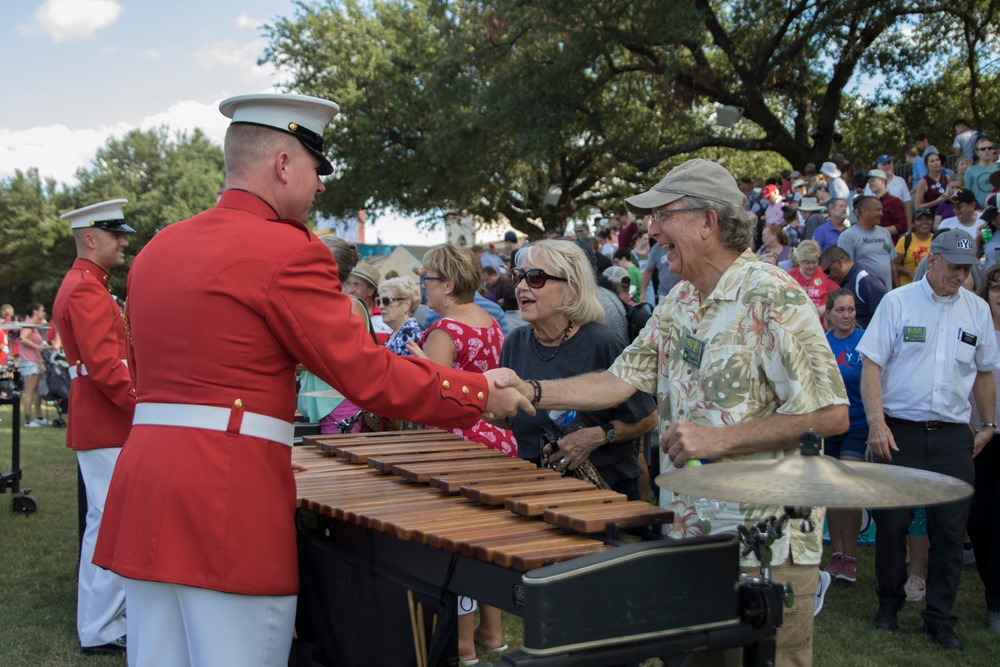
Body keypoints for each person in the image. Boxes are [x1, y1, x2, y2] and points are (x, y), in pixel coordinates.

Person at [92, 93, 530, 667]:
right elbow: (366, 373)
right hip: (227, 497)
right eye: (316, 169)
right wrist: (476, 392)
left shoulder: (158, 249)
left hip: (146, 484)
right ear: (282, 165)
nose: (321, 185)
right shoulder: (286, 250)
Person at [499, 158, 850, 667]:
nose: (653, 229)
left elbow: (831, 413)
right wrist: (529, 390)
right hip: (691, 535)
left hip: (764, 545)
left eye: (664, 215)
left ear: (709, 222)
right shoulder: (679, 300)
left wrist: (720, 439)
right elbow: (617, 381)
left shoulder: (772, 294)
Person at [858, 229, 1000, 650]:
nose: (960, 275)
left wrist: (988, 424)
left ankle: (940, 617)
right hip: (898, 431)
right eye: (954, 266)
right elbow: (871, 366)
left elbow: (985, 372)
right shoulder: (898, 302)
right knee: (892, 524)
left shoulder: (975, 311)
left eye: (966, 268)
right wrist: (877, 424)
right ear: (932, 260)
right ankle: (888, 603)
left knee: (950, 532)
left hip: (953, 435)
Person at [408, 244, 515, 663]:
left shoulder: (444, 329)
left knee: (457, 547)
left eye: (427, 280)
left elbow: (437, 398)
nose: (424, 287)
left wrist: (420, 368)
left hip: (457, 443)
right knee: (484, 543)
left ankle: (464, 645)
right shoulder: (490, 321)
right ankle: (493, 634)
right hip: (495, 441)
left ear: (448, 284)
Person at [500, 240, 656, 497]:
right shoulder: (515, 343)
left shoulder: (602, 343)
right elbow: (511, 420)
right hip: (537, 489)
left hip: (604, 494)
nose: (521, 286)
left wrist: (596, 436)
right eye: (518, 276)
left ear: (571, 290)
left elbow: (648, 418)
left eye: (536, 277)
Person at [49, 200, 136, 655]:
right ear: (90, 238)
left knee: (105, 521)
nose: (124, 242)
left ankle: (104, 620)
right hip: (108, 417)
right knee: (109, 524)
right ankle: (101, 627)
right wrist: (142, 408)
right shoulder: (86, 290)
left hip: (103, 415)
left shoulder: (88, 286)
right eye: (116, 234)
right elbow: (107, 368)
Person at [295, 236, 372, 434]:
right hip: (314, 400)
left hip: (340, 401)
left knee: (340, 462)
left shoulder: (351, 305)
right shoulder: (314, 303)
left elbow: (351, 360)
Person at [821, 289, 866, 584]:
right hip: (827, 427)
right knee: (831, 494)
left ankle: (850, 556)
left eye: (851, 310)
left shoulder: (865, 341)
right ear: (829, 313)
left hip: (858, 425)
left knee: (847, 492)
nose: (847, 316)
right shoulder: (821, 343)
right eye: (841, 310)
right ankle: (837, 554)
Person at [970, 264, 1000, 635]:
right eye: (995, 288)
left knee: (998, 523)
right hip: (975, 435)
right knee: (976, 521)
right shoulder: (975, 327)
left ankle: (996, 604)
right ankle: (989, 584)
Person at [837, 196, 896, 291]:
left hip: (887, 295)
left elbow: (892, 264)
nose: (881, 213)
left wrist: (896, 289)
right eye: (878, 210)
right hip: (864, 296)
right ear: (864, 211)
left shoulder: (885, 233)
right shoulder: (848, 236)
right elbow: (844, 270)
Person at [820, 247, 887, 329]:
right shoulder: (848, 279)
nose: (827, 277)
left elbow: (886, 316)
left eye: (827, 271)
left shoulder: (866, 280)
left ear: (839, 263)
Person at [787, 241, 839, 327]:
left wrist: (825, 307)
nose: (811, 266)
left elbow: (839, 296)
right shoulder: (789, 276)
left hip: (822, 325)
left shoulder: (825, 274)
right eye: (807, 263)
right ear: (799, 261)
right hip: (798, 325)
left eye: (814, 262)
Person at [17, 302, 51, 428]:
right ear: (35, 311)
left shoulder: (35, 326)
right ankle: (27, 420)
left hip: (35, 362)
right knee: (30, 391)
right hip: (28, 362)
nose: (43, 313)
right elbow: (23, 338)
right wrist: (38, 347)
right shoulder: (29, 324)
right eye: (42, 310)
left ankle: (39, 417)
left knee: (37, 391)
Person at [345, 260, 392, 343]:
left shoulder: (386, 315)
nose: (350, 290)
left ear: (371, 290)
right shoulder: (343, 312)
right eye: (349, 284)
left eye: (356, 285)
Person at [378, 276, 423, 357]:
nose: (380, 306)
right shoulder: (399, 331)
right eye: (378, 301)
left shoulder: (410, 334)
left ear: (406, 304)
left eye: (386, 301)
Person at [864, 155, 913, 222]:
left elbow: (907, 204)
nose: (887, 166)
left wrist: (909, 225)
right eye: (884, 164)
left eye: (889, 163)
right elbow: (867, 204)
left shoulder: (900, 181)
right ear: (878, 167)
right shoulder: (871, 184)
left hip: (899, 220)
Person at [865, 169, 908, 245]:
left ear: (882, 181)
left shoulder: (894, 201)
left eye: (873, 180)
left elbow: (903, 226)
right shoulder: (870, 203)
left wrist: (879, 231)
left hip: (889, 246)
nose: (870, 184)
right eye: (869, 182)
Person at [893, 209, 934, 286]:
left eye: (928, 219)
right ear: (913, 224)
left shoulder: (937, 239)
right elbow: (895, 263)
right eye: (919, 219)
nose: (924, 222)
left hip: (931, 285)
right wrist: (910, 273)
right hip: (908, 285)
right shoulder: (905, 240)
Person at [914, 151, 949, 216]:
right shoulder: (923, 182)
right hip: (931, 215)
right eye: (932, 161)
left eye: (937, 160)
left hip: (946, 213)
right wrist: (937, 201)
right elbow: (918, 207)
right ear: (927, 166)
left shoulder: (947, 177)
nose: (936, 163)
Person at [966, 136, 998, 206]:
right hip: (978, 209)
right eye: (983, 149)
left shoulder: (998, 168)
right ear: (977, 152)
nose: (987, 150)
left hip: (997, 208)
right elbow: (967, 193)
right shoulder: (970, 171)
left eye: (990, 148)